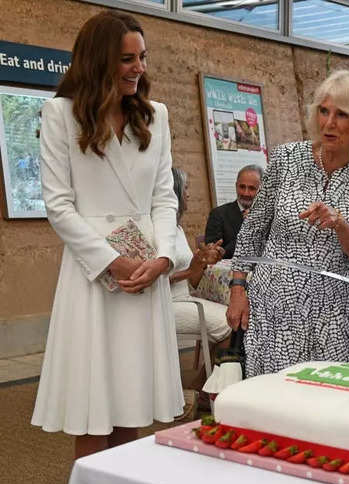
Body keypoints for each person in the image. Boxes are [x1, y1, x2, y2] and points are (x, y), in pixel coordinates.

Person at [31, 11, 183, 458]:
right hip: (94, 273)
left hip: (146, 270)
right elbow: (59, 206)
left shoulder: (157, 116)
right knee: (93, 406)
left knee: (132, 399)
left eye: (143, 57)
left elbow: (164, 197)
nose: (139, 68)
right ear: (98, 62)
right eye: (126, 59)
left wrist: (163, 259)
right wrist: (113, 261)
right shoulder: (61, 114)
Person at [226, 69, 349, 377]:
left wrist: (340, 224)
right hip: (276, 304)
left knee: (330, 403)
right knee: (276, 401)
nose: (328, 123)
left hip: (336, 311)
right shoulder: (287, 157)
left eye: (342, 115)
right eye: (324, 111)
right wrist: (238, 288)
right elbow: (253, 229)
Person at [170, 168, 231, 356]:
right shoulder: (157, 231)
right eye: (185, 188)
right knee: (231, 323)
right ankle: (208, 383)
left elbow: (192, 279)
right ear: (173, 192)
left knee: (236, 314)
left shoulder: (177, 228)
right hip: (168, 305)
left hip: (186, 299)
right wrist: (191, 270)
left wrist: (203, 261)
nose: (188, 194)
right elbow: (155, 279)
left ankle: (208, 379)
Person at [204, 165, 262, 259]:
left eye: (252, 188)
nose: (245, 193)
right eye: (242, 187)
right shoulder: (218, 215)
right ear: (236, 186)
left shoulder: (271, 216)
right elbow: (216, 256)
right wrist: (248, 228)